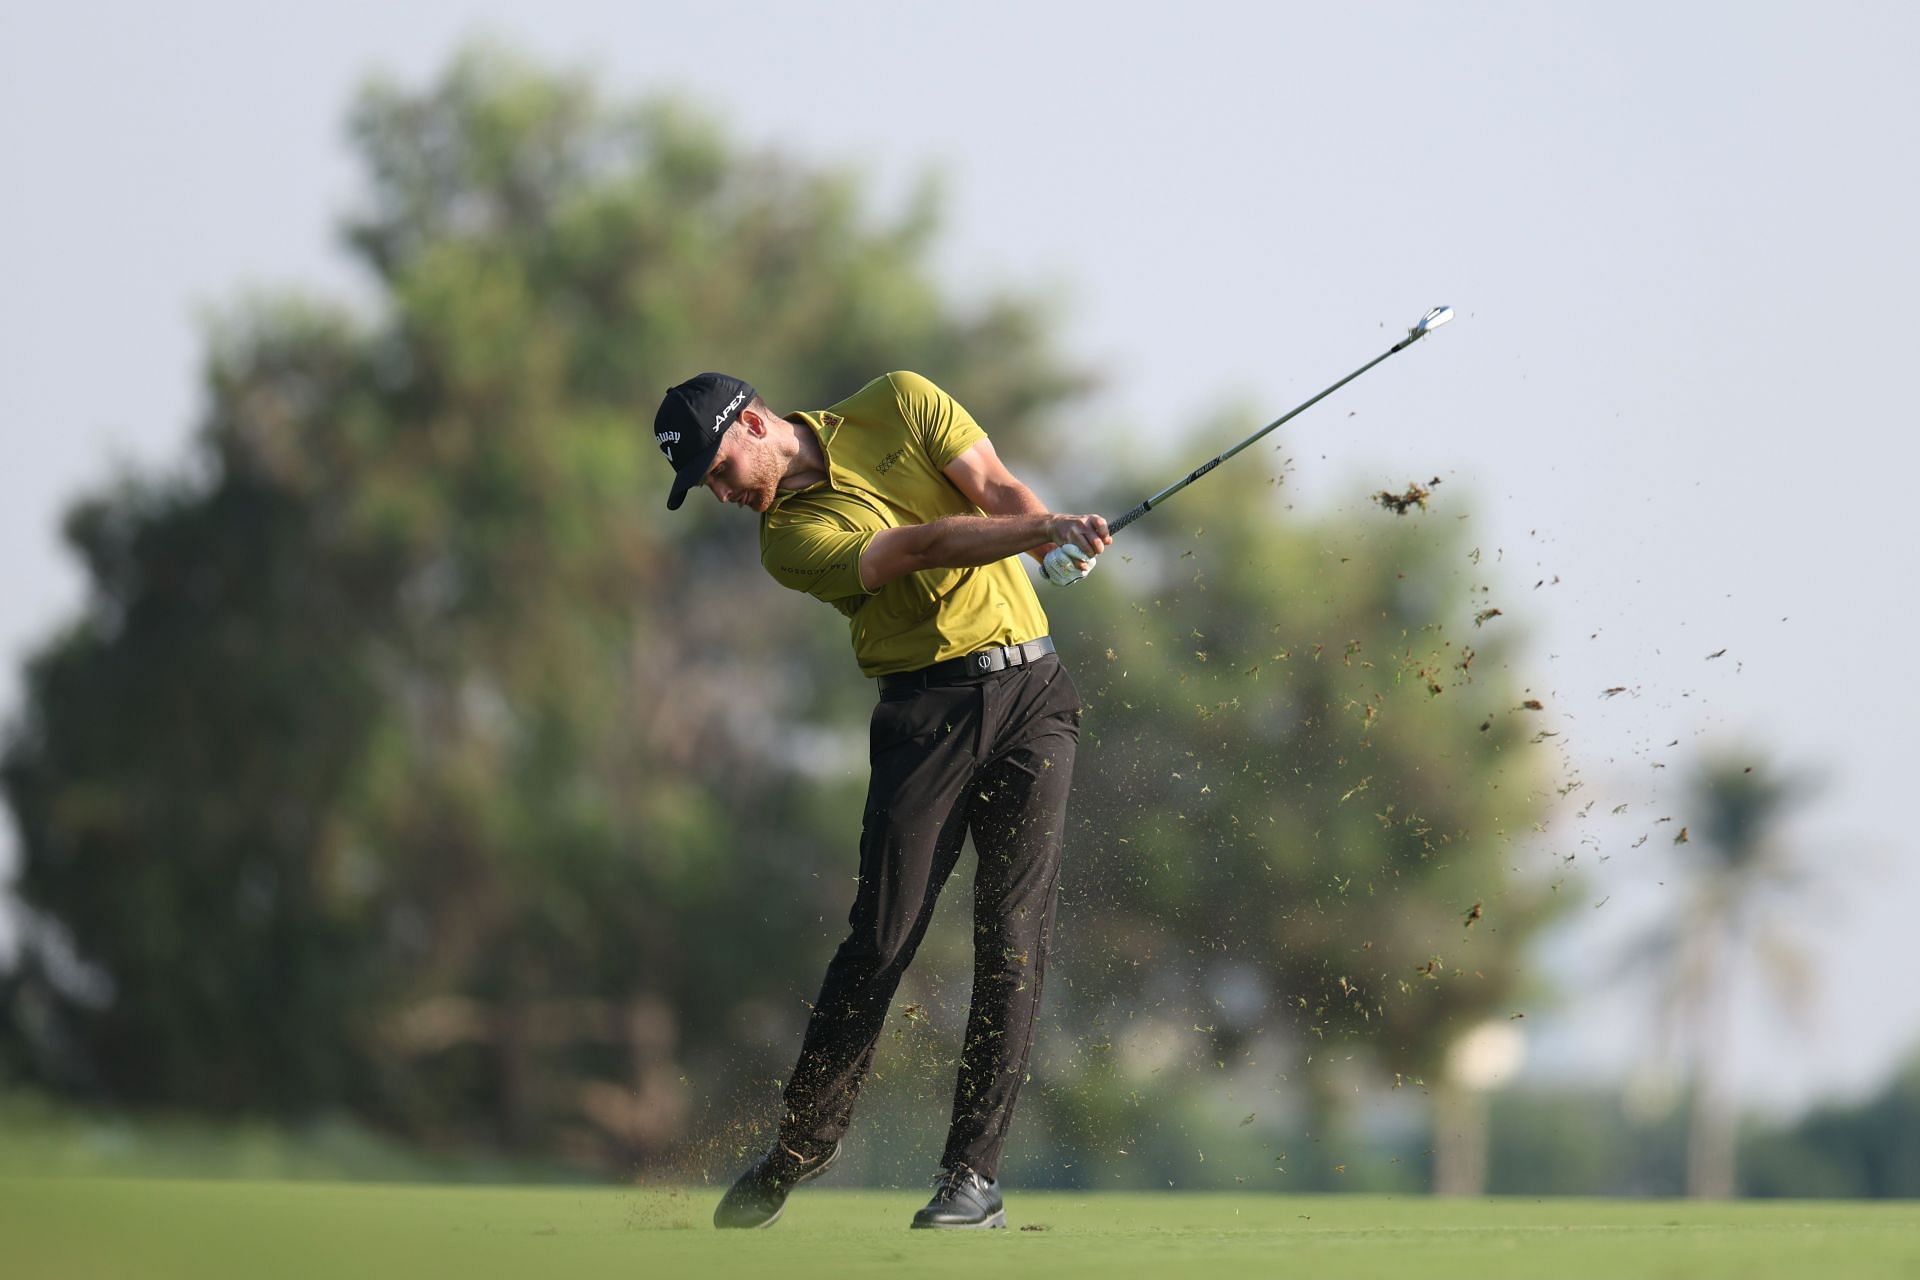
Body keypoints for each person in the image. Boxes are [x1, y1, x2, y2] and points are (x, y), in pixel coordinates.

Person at [655, 370, 1109, 1230]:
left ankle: (972, 1179)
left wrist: (1047, 535)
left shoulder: (900, 400)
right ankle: (803, 1143)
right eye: (705, 485)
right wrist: (1039, 531)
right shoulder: (786, 539)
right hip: (925, 716)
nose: (719, 494)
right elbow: (916, 550)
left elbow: (996, 487)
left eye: (717, 471)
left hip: (1034, 696)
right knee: (882, 939)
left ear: (752, 423)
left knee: (1013, 939)